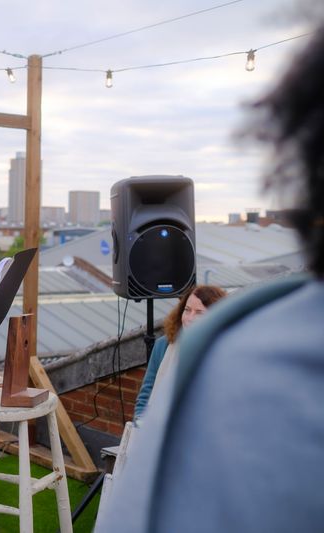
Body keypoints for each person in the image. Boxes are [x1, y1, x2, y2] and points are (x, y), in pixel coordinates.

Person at [96, 23, 324, 533]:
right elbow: (149, 398)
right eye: (191, 310)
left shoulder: (239, 365)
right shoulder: (230, 368)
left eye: (203, 310)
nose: (194, 315)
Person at [133, 284, 226, 421]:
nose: (189, 318)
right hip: (158, 430)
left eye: (199, 312)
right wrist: (140, 425)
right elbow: (146, 395)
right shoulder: (163, 345)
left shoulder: (224, 352)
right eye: (187, 310)